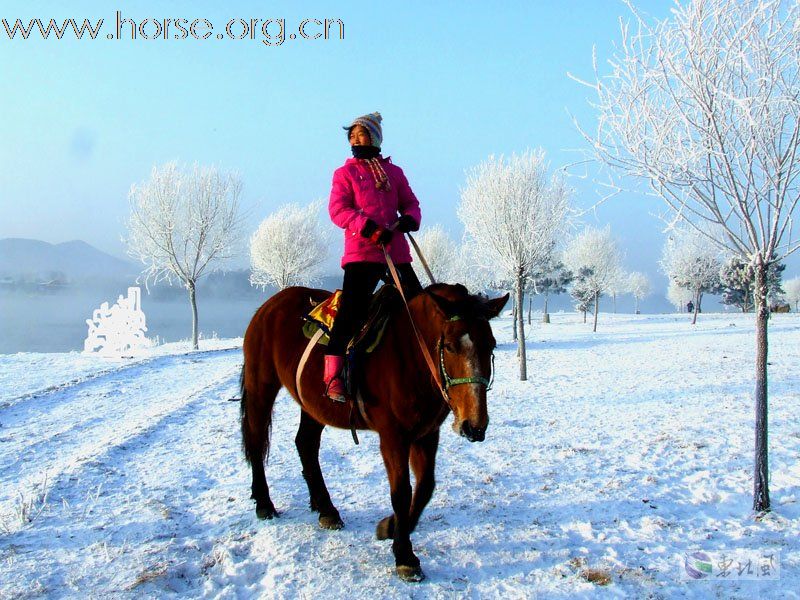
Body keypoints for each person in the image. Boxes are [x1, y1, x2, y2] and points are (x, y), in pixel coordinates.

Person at [324, 111, 423, 402]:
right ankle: (333, 377)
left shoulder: (395, 173)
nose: (356, 139)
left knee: (418, 308)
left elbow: (411, 204)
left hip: (396, 252)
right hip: (362, 252)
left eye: (361, 134)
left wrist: (408, 220)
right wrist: (367, 227)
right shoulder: (344, 173)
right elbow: (338, 210)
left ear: (375, 138)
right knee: (351, 312)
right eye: (352, 135)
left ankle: (422, 369)